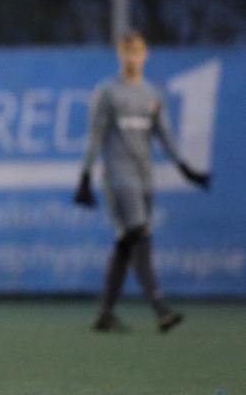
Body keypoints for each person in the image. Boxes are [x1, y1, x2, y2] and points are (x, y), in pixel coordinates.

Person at [74, 31, 211, 333]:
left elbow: (164, 134)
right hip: (119, 178)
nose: (131, 57)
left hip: (144, 177)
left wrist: (185, 168)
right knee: (141, 235)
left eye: (136, 51)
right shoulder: (108, 92)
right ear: (119, 55)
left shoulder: (152, 94)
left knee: (126, 243)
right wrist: (85, 176)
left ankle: (105, 314)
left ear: (145, 54)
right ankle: (161, 309)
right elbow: (95, 136)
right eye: (126, 52)